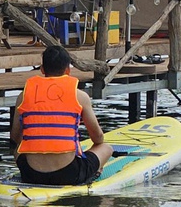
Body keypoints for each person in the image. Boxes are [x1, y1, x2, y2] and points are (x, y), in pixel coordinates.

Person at [10, 45, 112, 185]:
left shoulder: (23, 96)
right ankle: (96, 171)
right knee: (106, 148)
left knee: (18, 149)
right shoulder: (80, 96)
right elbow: (98, 137)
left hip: (31, 174)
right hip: (68, 173)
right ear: (68, 70)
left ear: (42, 69)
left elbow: (15, 137)